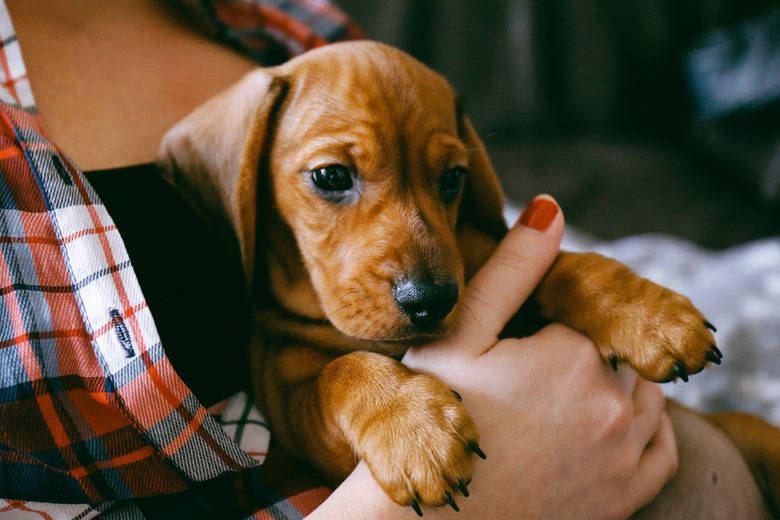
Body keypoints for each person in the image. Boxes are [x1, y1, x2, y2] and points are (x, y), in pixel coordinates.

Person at [0, 1, 677, 518]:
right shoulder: (292, 332)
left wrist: (595, 286)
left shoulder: (284, 21)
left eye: (447, 179)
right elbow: (306, 395)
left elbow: (501, 253)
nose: (422, 274)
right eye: (333, 179)